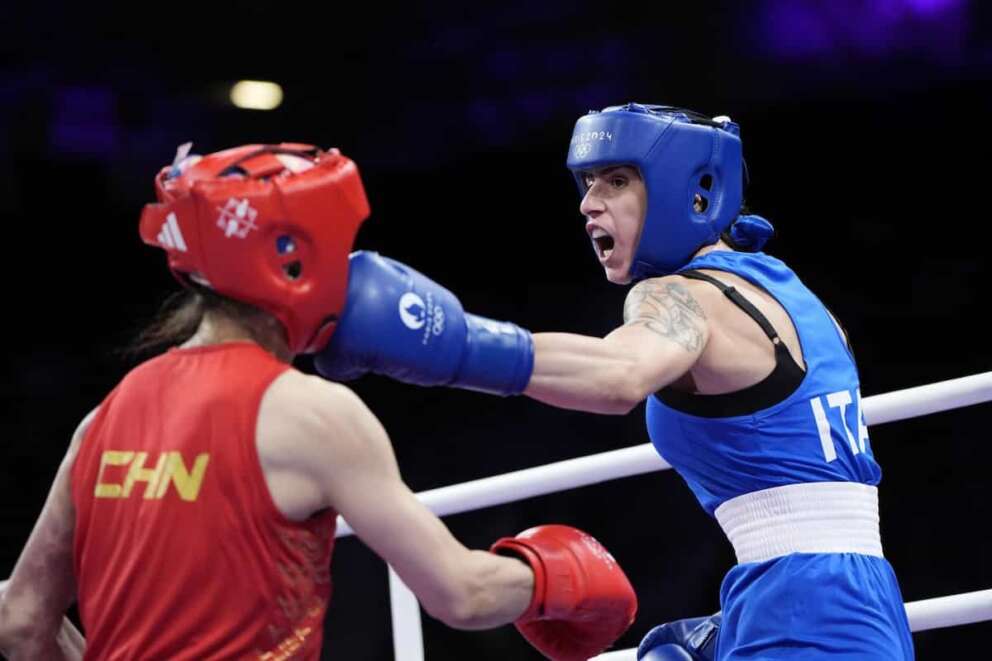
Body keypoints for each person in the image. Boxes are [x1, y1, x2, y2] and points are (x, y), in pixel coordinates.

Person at [314, 103, 916, 659]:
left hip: (805, 606)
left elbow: (619, 375)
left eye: (618, 181)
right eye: (587, 183)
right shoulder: (783, 286)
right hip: (849, 597)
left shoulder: (684, 296)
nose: (588, 204)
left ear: (693, 190)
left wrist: (447, 344)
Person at [0, 143, 638, 660]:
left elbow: (22, 622)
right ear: (292, 262)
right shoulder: (310, 414)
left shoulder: (102, 420)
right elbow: (463, 595)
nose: (354, 266)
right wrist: (557, 574)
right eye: (339, 247)